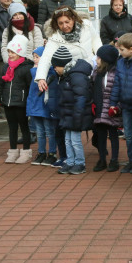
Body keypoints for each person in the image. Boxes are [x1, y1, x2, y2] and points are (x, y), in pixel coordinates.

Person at [35, 6, 102, 92]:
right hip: (74, 76)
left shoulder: (87, 25)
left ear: (73, 19)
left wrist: (101, 58)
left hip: (94, 69)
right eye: (60, 23)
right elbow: (46, 57)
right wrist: (41, 77)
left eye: (67, 22)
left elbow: (96, 41)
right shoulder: (54, 37)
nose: (64, 26)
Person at [51, 47, 94, 175]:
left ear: (62, 65)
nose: (54, 69)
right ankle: (70, 162)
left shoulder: (76, 76)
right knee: (68, 140)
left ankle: (80, 163)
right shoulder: (67, 76)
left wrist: (77, 115)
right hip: (68, 114)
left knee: (75, 141)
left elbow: (81, 97)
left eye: (56, 66)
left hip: (75, 115)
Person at [109, 33, 132, 174]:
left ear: (131, 49)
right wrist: (113, 102)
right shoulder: (120, 62)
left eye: (122, 49)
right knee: (128, 134)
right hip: (125, 105)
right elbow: (116, 83)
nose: (120, 52)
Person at [0, 35, 34, 164]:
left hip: (21, 104)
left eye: (13, 52)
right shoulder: (6, 67)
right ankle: (12, 151)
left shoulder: (27, 68)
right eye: (9, 52)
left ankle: (26, 151)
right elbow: (0, 84)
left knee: (24, 127)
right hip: (8, 102)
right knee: (12, 128)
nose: (10, 55)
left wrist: (29, 103)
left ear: (20, 52)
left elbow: (30, 88)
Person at [91, 44, 122, 172]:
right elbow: (92, 88)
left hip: (112, 109)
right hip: (99, 108)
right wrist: (92, 103)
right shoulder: (96, 72)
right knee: (101, 134)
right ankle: (102, 159)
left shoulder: (116, 73)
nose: (96, 59)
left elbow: (119, 91)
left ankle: (114, 160)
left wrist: (117, 107)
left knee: (113, 134)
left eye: (98, 57)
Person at [27, 47, 58, 166]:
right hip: (36, 105)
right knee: (39, 131)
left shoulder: (49, 71)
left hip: (45, 105)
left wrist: (36, 68)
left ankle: (52, 152)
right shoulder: (35, 69)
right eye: (34, 57)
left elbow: (35, 74)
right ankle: (41, 152)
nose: (35, 60)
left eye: (37, 57)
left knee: (49, 131)